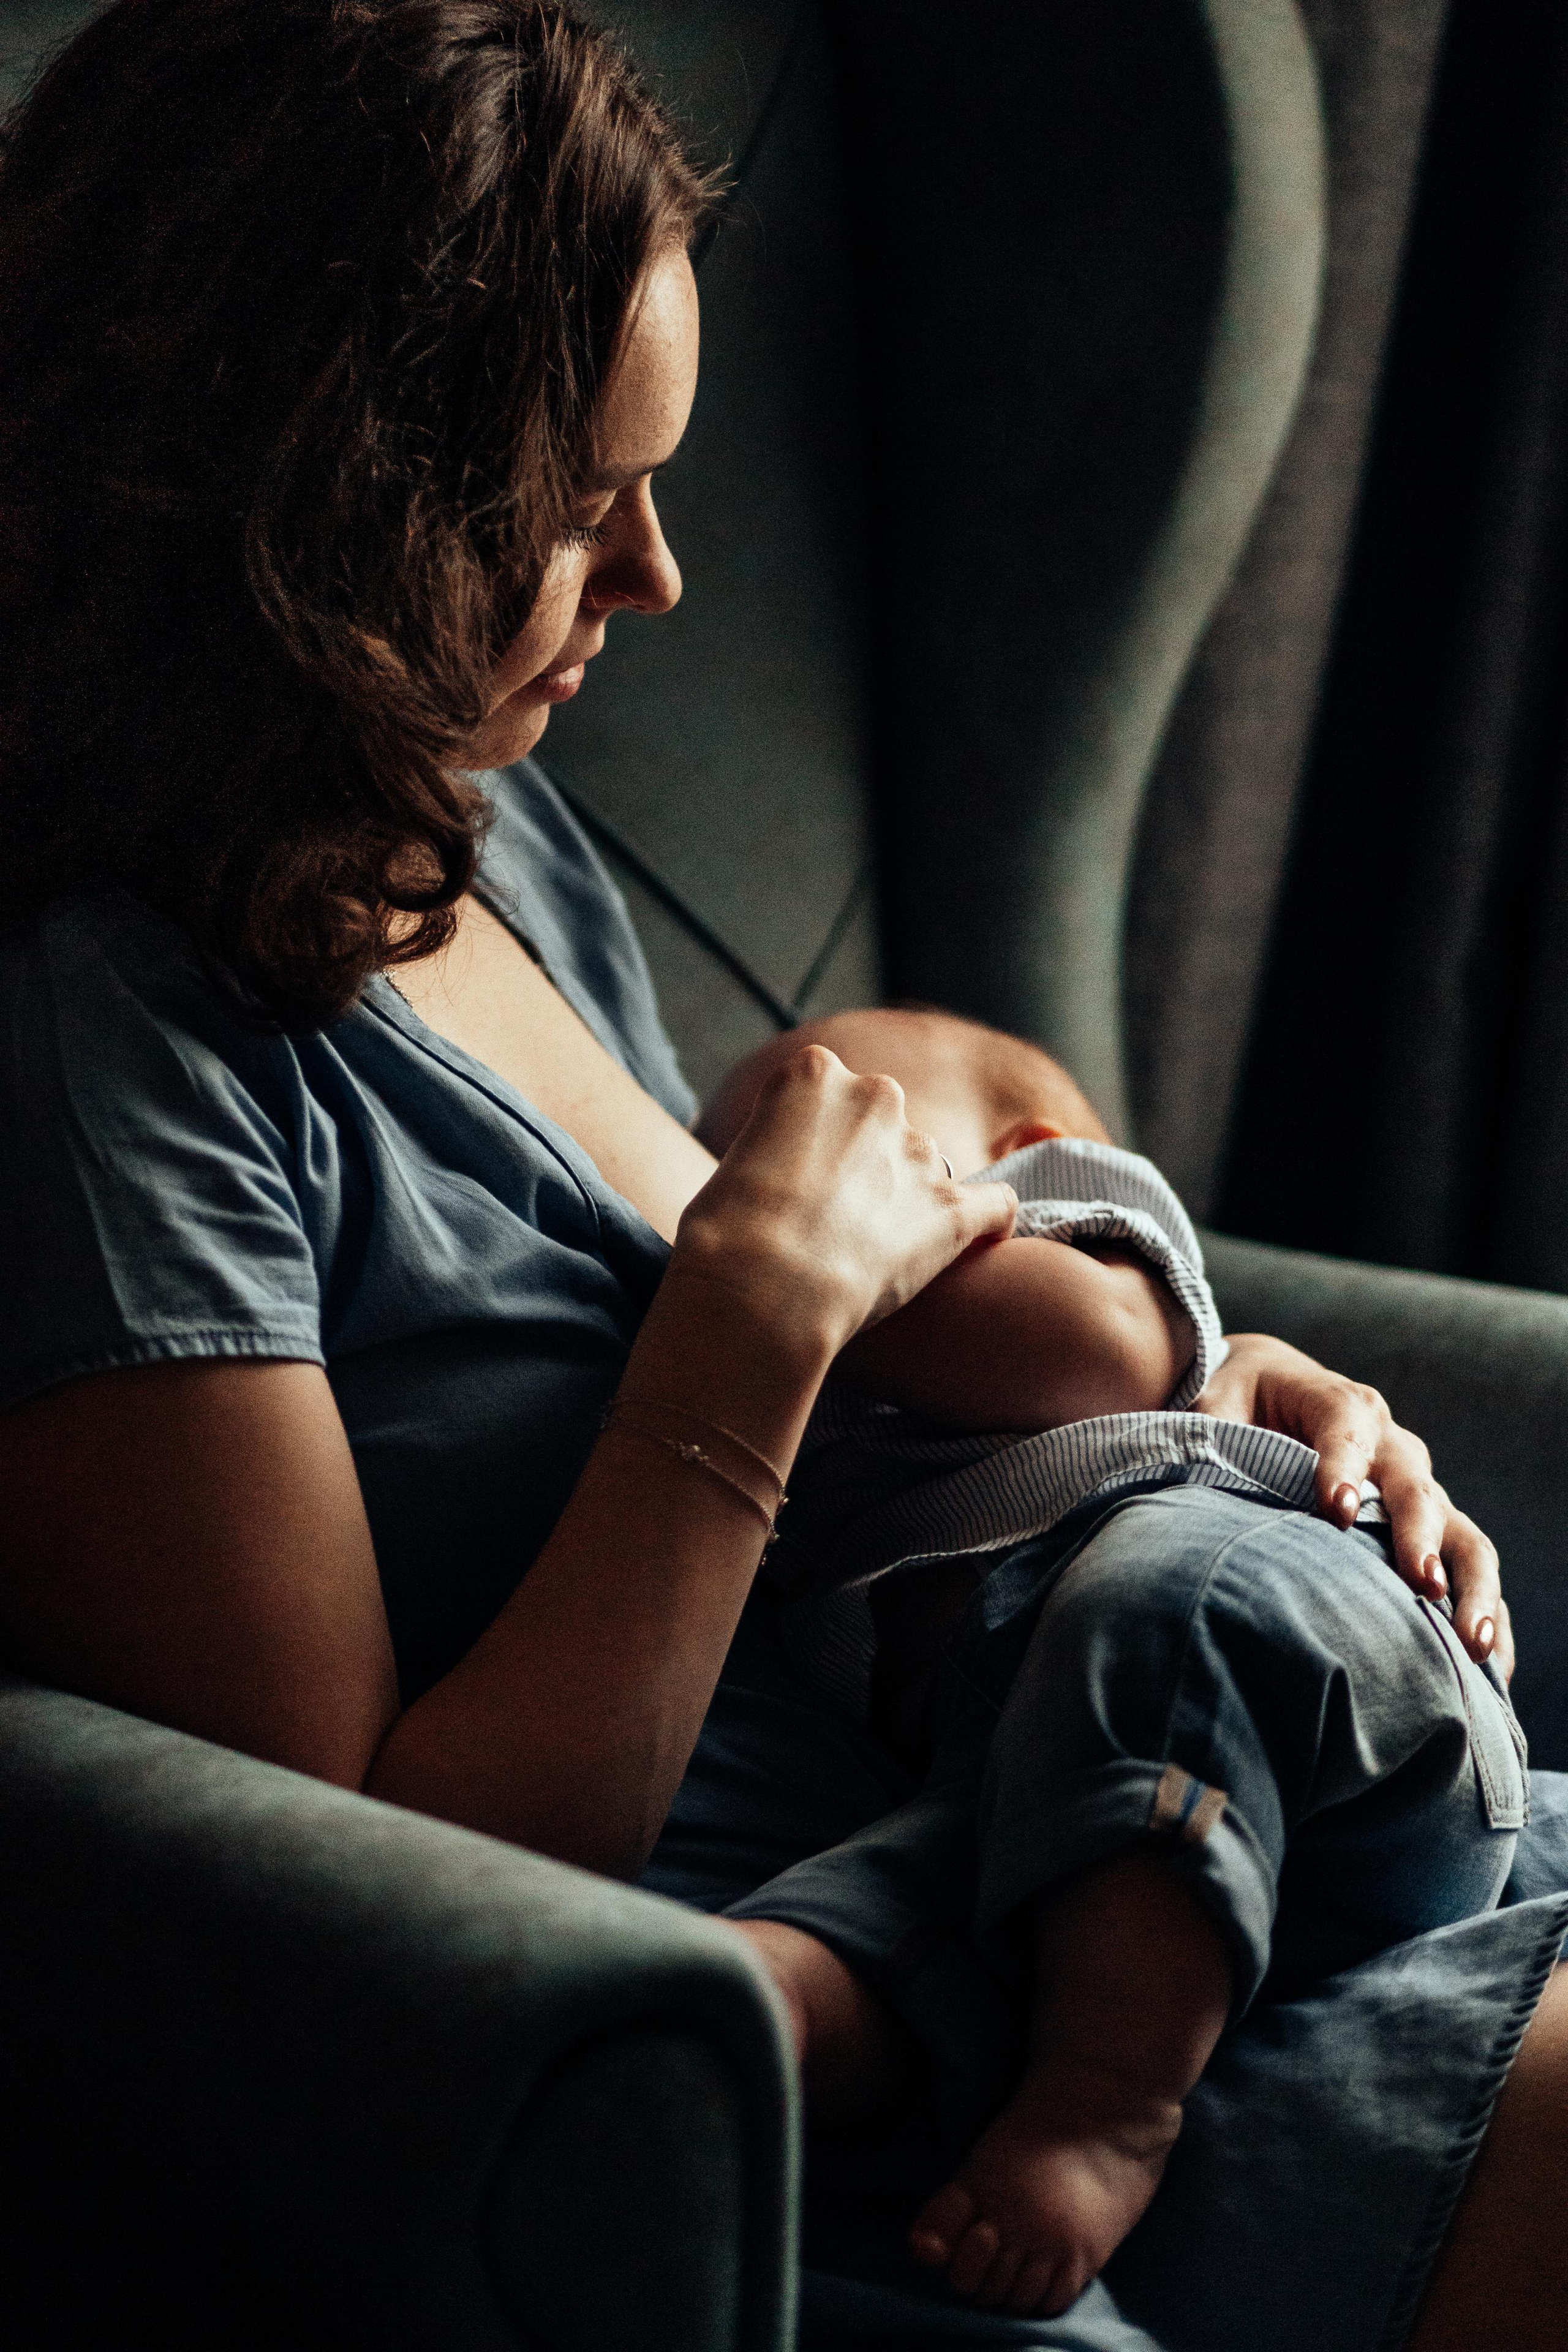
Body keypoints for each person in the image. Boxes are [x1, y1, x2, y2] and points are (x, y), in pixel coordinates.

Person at [0, 6, 1564, 2348]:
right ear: (321, 490)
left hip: (1096, 1815)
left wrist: (1192, 1406)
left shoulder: (468, 816)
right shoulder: (99, 1047)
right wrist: (745, 1335)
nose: (653, 577)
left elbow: (846, 1321)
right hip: (875, 2045)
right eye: (574, 498)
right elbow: (371, 1921)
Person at [698, 1008, 1532, 2317]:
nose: (744, 1184)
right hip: (1094, 1777)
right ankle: (782, 1987)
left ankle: (1104, 2104)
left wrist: (768, 1268)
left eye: (823, 1127)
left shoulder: (1081, 1227)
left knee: (1163, 1611)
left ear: (1026, 1150)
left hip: (1279, 1617)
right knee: (971, 1850)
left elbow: (1084, 1352)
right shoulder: (815, 1427)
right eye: (728, 1151)